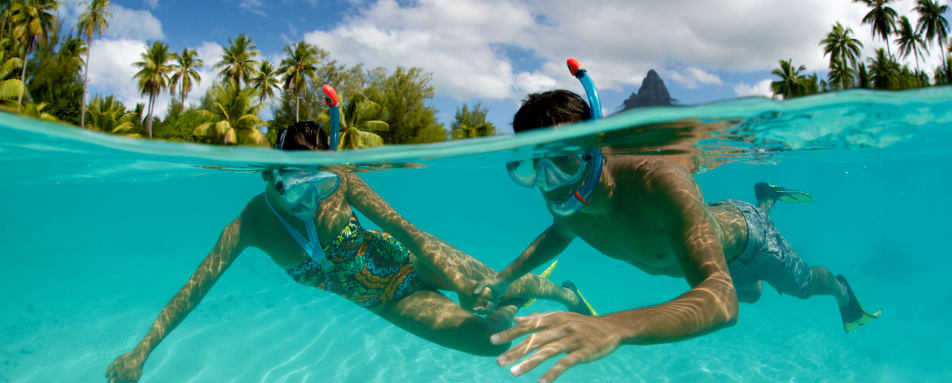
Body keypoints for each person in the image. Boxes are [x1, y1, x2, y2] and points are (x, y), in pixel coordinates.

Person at [105, 121, 593, 383]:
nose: (313, 199)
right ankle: (517, 304)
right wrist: (141, 351)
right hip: (390, 301)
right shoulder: (250, 225)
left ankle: (563, 293)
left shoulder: (341, 182)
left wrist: (462, 281)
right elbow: (193, 290)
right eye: (299, 186)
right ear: (270, 174)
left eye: (320, 184)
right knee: (493, 339)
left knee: (502, 285)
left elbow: (410, 232)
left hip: (416, 260)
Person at [473, 90, 880, 383]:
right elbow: (560, 232)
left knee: (803, 285)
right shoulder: (567, 198)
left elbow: (721, 301)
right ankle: (767, 198)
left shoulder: (659, 181)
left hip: (751, 242)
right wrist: (503, 278)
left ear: (594, 150)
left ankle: (840, 289)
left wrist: (613, 328)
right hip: (710, 252)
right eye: (532, 167)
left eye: (562, 161)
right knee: (754, 293)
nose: (550, 183)